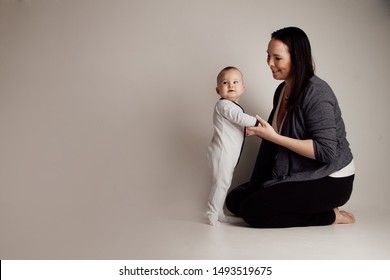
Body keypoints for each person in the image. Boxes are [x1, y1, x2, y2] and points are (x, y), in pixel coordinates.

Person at [225, 27, 356, 228]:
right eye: (268, 56)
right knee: (235, 201)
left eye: (277, 58)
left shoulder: (317, 94)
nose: (269, 63)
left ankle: (330, 216)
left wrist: (274, 137)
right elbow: (269, 145)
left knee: (253, 212)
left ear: (297, 58)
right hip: (301, 169)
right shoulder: (282, 89)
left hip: (331, 178)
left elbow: (326, 152)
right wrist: (255, 185)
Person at [207, 66, 259, 225]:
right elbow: (239, 118)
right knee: (221, 183)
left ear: (243, 88)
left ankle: (219, 211)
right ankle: (212, 213)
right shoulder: (224, 105)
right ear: (218, 90)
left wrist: (249, 131)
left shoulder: (231, 106)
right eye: (225, 82)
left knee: (224, 182)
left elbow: (235, 126)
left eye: (235, 82)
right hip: (222, 152)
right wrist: (257, 122)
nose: (231, 85)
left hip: (228, 153)